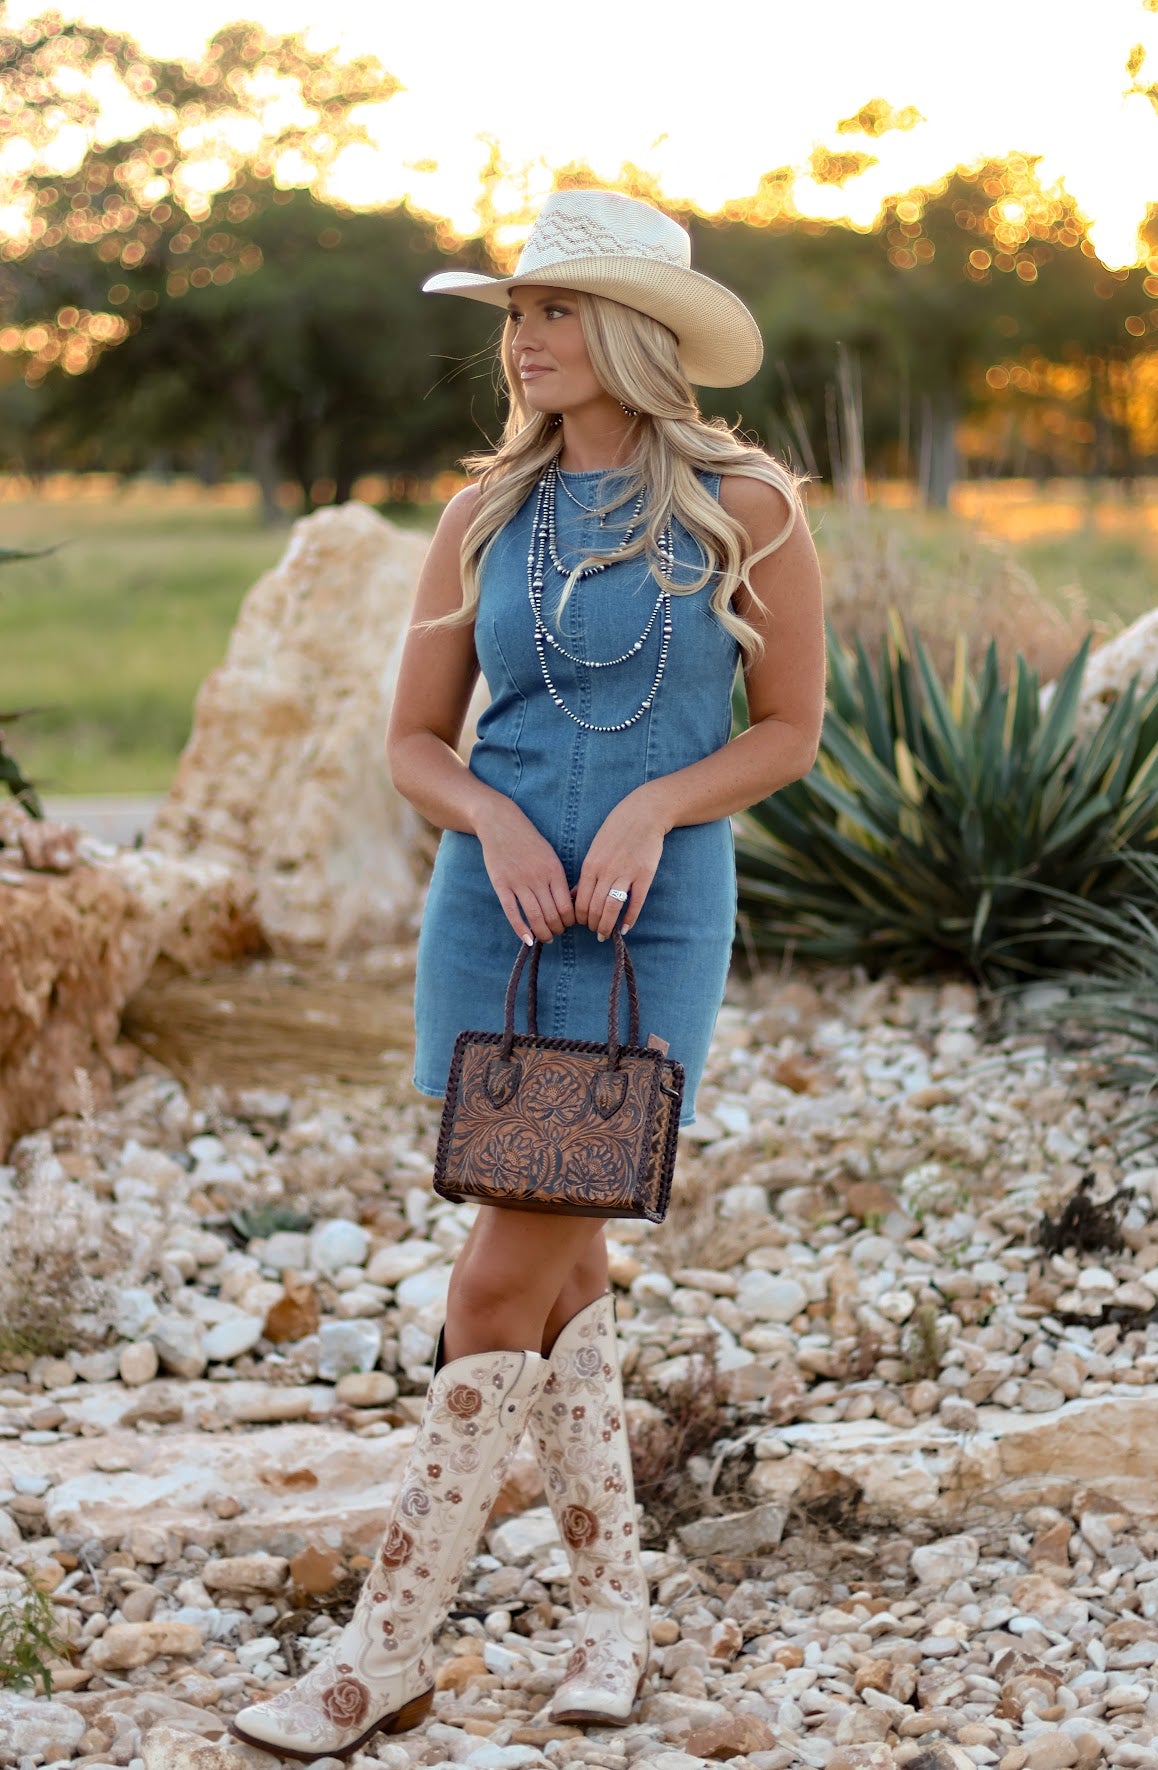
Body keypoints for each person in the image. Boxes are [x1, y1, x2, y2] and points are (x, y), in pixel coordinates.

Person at [231, 186, 825, 1763]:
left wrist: (653, 803)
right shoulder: (484, 514)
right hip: (488, 920)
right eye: (517, 313)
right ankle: (612, 1623)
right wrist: (492, 816)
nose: (525, 338)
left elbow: (789, 729)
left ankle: (381, 1655)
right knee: (560, 1264)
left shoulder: (749, 503)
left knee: (501, 1273)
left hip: (649, 924)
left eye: (555, 310)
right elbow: (413, 742)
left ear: (632, 328)